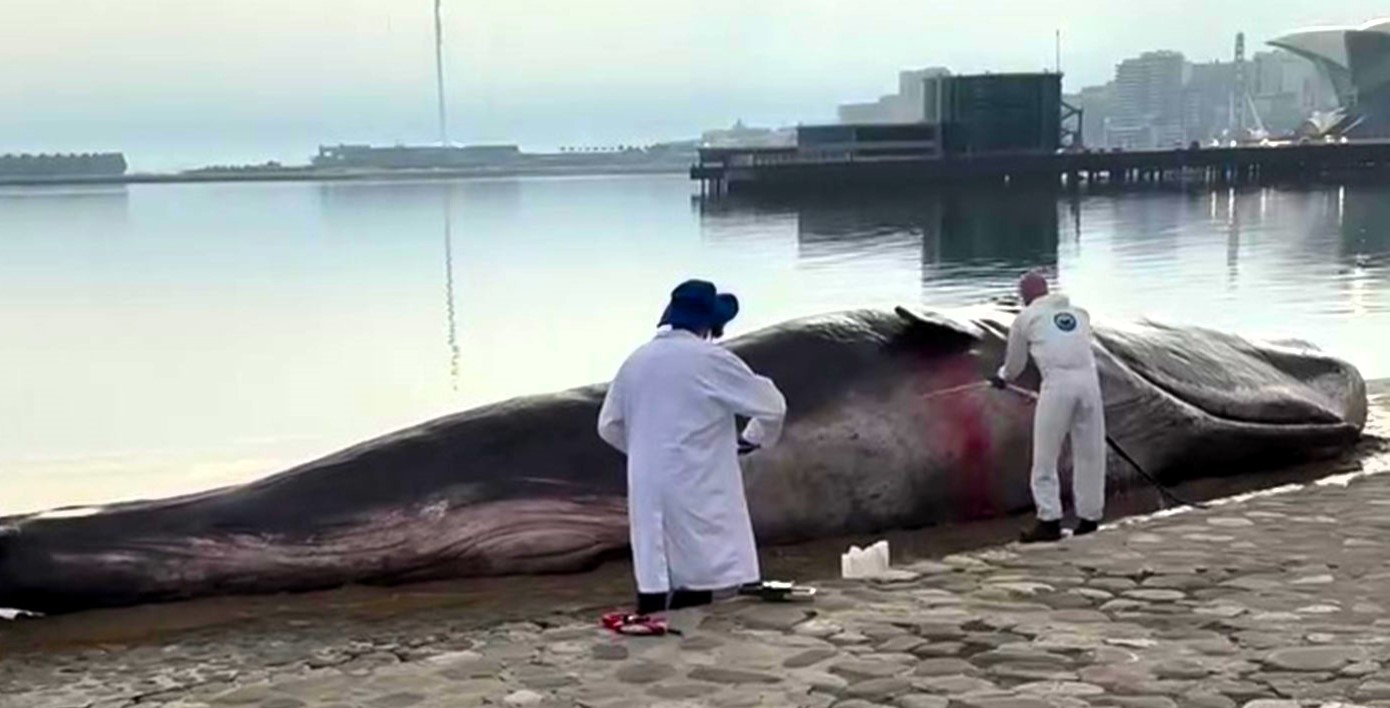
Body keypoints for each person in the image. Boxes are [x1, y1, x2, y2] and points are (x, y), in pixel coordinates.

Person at [598, 279, 787, 615]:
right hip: (696, 475)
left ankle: (651, 615)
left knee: (654, 560)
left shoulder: (636, 361)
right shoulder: (710, 359)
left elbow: (608, 426)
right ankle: (685, 623)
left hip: (647, 479)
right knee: (701, 562)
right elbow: (772, 405)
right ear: (708, 324)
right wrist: (753, 437)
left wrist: (643, 451)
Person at [990, 271, 1106, 543]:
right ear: (1047, 290)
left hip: (1057, 387)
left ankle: (1049, 520)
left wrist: (1002, 377)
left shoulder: (1025, 318)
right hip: (1090, 386)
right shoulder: (1081, 314)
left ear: (1024, 296)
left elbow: (1015, 365)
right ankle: (1089, 519)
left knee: (1045, 457)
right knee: (1090, 454)